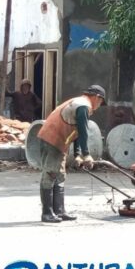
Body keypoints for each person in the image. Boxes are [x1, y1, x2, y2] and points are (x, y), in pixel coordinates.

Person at [36, 85, 106, 223]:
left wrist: (78, 154)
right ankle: (47, 213)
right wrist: (87, 154)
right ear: (97, 97)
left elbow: (77, 132)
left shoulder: (80, 103)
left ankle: (59, 211)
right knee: (50, 173)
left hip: (60, 141)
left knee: (60, 175)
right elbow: (84, 132)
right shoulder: (83, 106)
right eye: (101, 101)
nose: (100, 105)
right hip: (52, 139)